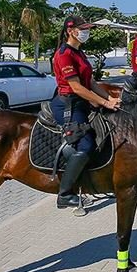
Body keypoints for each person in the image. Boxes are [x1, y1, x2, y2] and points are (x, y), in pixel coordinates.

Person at [51, 15, 120, 208]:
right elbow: (77, 87)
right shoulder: (64, 54)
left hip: (83, 101)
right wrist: (103, 103)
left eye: (87, 29)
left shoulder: (79, 52)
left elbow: (90, 82)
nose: (86, 32)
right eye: (83, 29)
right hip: (68, 104)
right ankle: (64, 194)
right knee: (85, 146)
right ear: (70, 31)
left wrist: (109, 99)